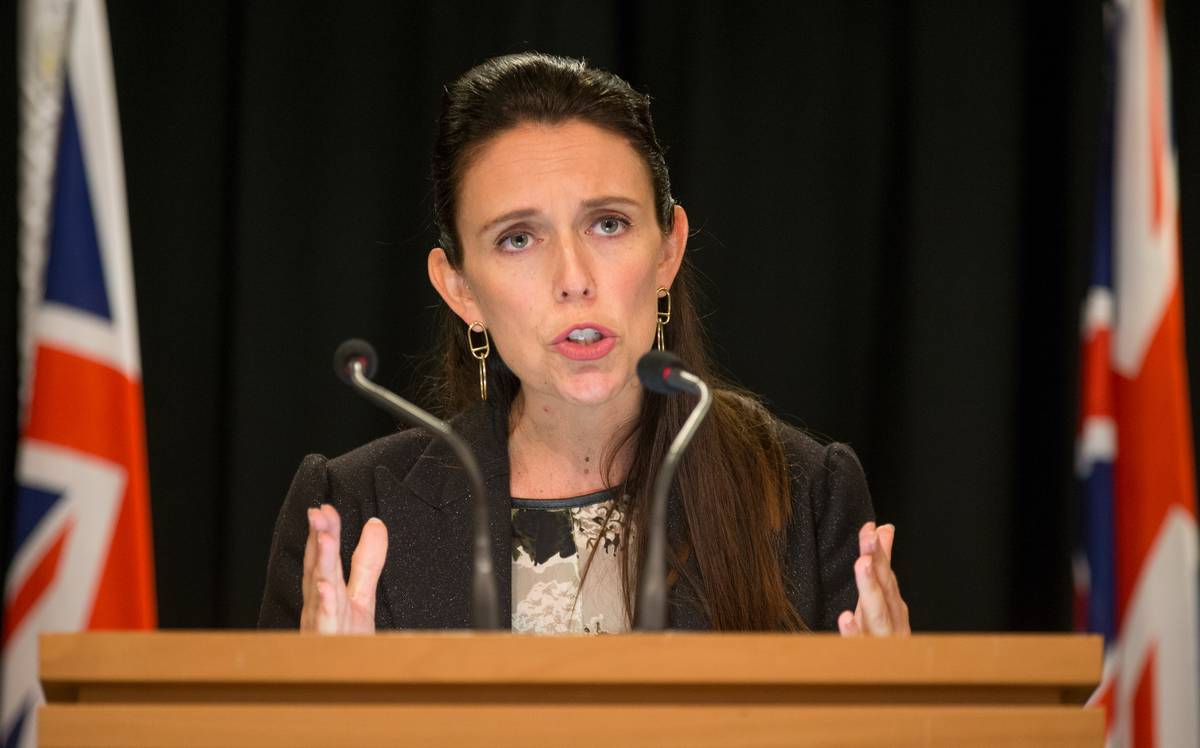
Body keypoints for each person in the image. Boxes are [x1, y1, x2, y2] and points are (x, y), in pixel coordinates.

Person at [258, 52, 909, 636]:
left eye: (608, 224)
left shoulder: (808, 495)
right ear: (460, 289)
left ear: (668, 250)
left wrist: (893, 717)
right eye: (518, 237)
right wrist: (327, 715)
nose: (573, 280)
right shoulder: (350, 509)